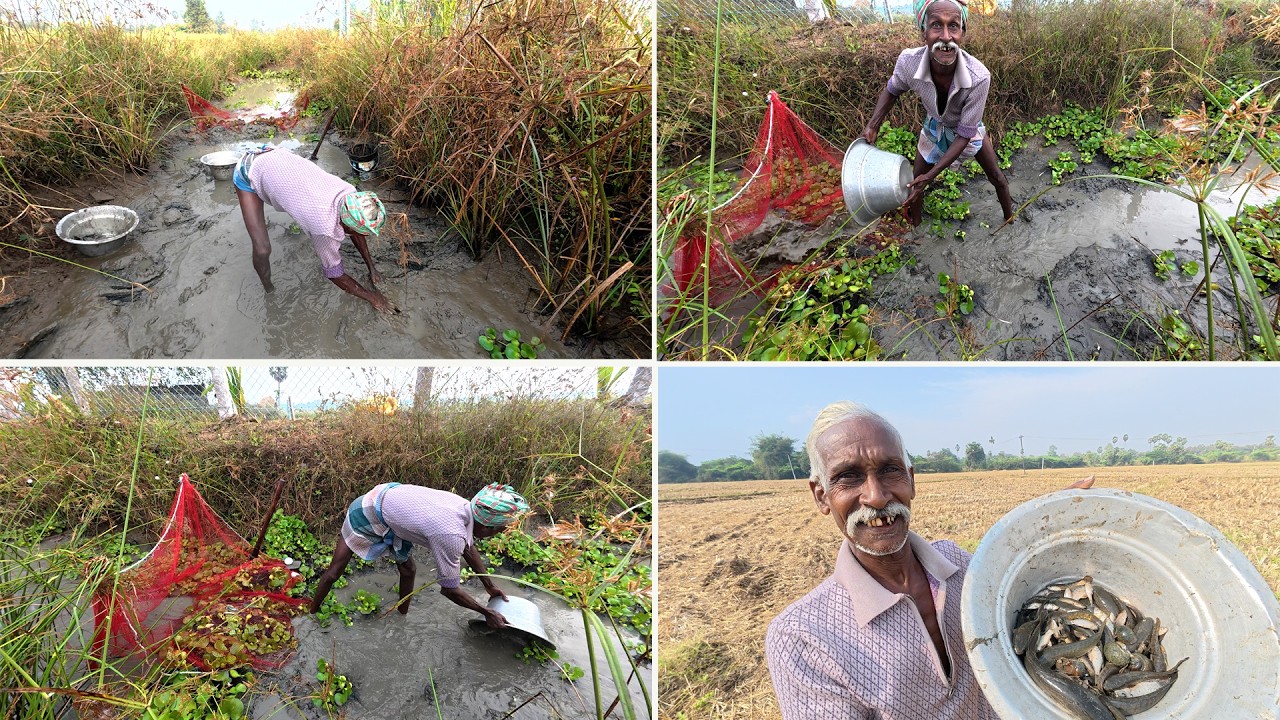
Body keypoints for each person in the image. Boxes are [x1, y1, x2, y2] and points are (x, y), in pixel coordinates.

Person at [765, 401, 998, 719]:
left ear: (911, 481)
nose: (876, 496)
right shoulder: (802, 637)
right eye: (848, 477)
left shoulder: (961, 565)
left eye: (890, 470)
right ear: (821, 496)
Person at [860, 0, 1014, 226]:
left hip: (966, 129)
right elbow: (892, 90)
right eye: (936, 26)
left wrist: (932, 175)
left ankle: (1009, 218)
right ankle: (917, 226)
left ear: (962, 33)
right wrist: (873, 125)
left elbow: (965, 134)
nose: (945, 37)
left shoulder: (979, 77)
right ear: (923, 32)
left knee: (997, 177)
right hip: (935, 125)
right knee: (915, 182)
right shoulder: (908, 62)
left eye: (953, 26)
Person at [310, 482, 530, 628]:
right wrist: (486, 612)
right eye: (501, 529)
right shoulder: (450, 533)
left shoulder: (467, 507)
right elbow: (449, 590)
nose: (501, 533)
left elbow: (468, 546)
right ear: (487, 527)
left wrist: (489, 586)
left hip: (393, 508)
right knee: (334, 572)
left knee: (408, 569)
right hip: (367, 510)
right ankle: (312, 612)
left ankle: (401, 616)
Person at [233, 145, 397, 313]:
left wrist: (372, 268)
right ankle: (269, 289)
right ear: (347, 225)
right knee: (262, 248)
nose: (365, 235)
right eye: (362, 231)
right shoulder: (324, 229)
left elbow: (357, 229)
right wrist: (372, 297)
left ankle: (371, 266)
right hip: (250, 169)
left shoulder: (350, 193)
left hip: (278, 158)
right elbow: (334, 273)